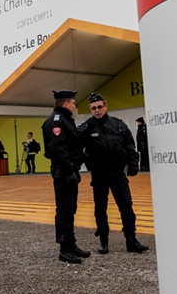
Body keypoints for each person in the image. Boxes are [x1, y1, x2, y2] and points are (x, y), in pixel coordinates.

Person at [78, 93, 149, 254]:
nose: (97, 110)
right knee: (100, 209)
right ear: (91, 109)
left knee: (126, 206)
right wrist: (86, 161)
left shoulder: (118, 125)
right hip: (99, 174)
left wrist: (133, 165)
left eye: (100, 107)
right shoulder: (87, 127)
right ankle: (104, 241)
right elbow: (75, 145)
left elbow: (130, 146)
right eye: (94, 108)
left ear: (106, 106)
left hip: (117, 173)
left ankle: (131, 240)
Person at [42, 89, 90, 264]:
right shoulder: (56, 121)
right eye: (73, 102)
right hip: (64, 172)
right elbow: (58, 149)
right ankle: (64, 249)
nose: (75, 105)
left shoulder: (64, 119)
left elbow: (72, 146)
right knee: (64, 210)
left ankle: (71, 243)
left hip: (70, 170)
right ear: (66, 104)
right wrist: (69, 171)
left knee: (71, 209)